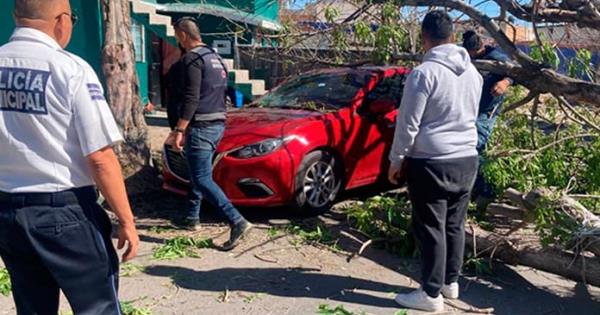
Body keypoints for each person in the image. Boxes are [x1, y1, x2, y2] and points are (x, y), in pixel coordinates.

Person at [0, 0, 139, 314]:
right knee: (97, 307)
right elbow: (101, 157)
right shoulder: (70, 68)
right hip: (64, 212)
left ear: (16, 17)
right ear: (62, 20)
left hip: (8, 212)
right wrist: (127, 221)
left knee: (33, 306)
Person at [388, 11, 483, 312]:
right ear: (453, 37)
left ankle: (430, 295)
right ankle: (449, 283)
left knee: (431, 227)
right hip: (467, 158)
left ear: (424, 37)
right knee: (454, 224)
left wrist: (396, 160)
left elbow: (408, 124)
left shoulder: (424, 74)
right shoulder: (474, 74)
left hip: (432, 161)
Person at [164, 17, 252, 250]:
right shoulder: (216, 58)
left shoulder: (193, 59)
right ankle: (192, 218)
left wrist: (179, 129)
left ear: (183, 35)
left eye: (176, 36)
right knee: (197, 170)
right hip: (218, 123)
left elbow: (192, 97)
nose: (176, 40)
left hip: (201, 125)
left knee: (202, 177)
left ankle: (237, 220)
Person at [462, 30, 514, 200]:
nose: (472, 57)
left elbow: (515, 73)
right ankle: (476, 187)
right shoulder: (463, 55)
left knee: (476, 144)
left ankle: (484, 191)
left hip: (487, 109)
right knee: (469, 147)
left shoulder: (497, 58)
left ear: (482, 48)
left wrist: (505, 82)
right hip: (469, 107)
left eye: (475, 54)